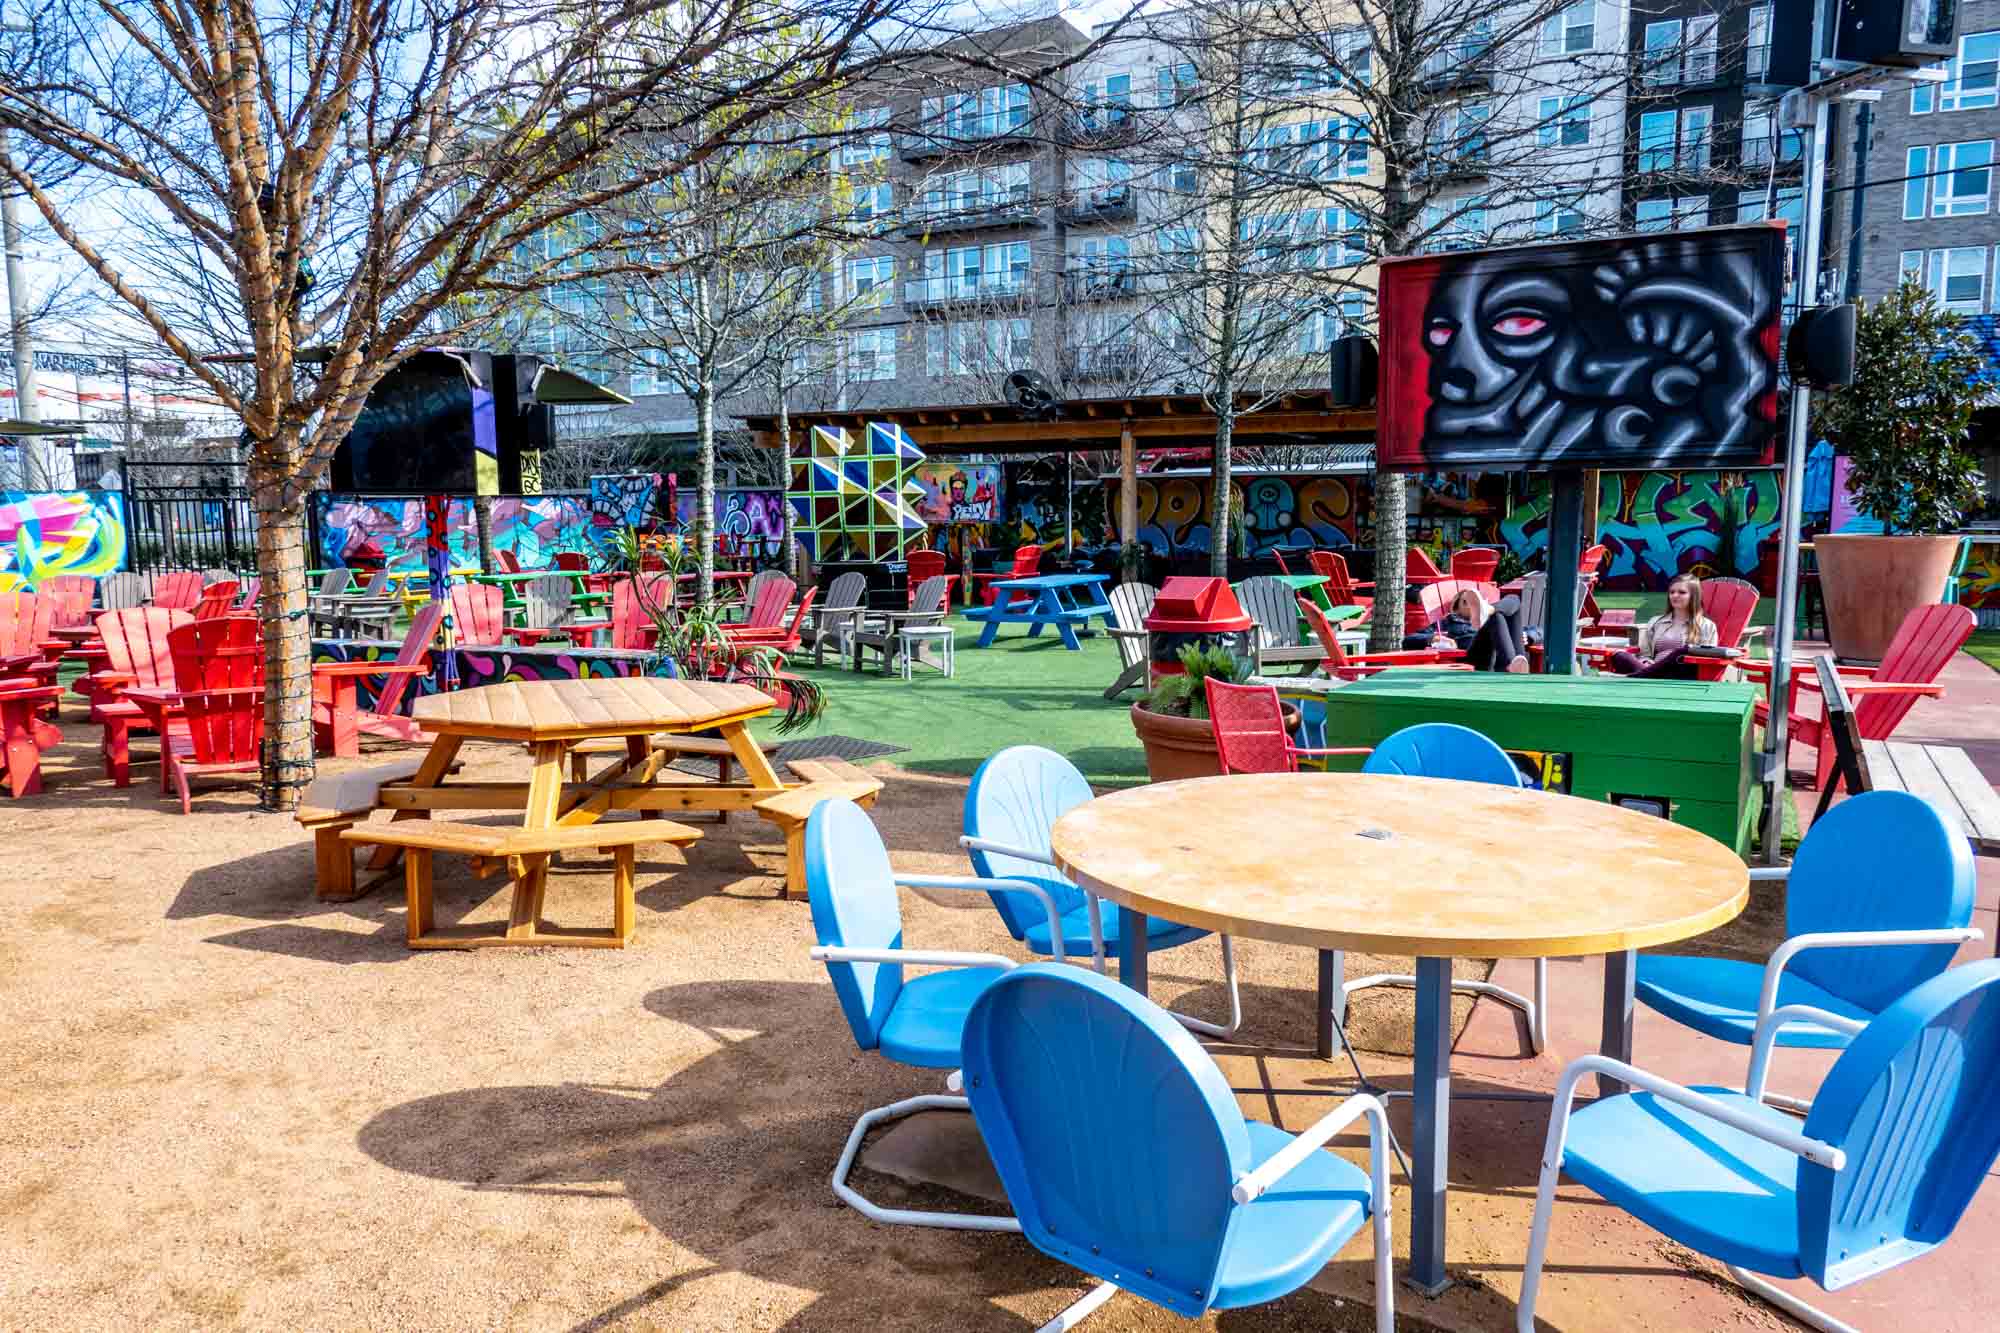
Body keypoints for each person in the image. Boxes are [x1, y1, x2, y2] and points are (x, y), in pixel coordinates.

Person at [1608, 574, 1718, 678]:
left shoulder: (1706, 626)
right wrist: (1646, 661)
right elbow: (1644, 653)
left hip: (1680, 673)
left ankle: (1635, 677)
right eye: (1672, 592)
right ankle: (1645, 677)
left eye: (1682, 592)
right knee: (1620, 655)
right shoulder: (1656, 622)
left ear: (1694, 596)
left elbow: (1707, 657)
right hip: (1650, 669)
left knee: (1681, 652)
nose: (1675, 595)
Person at [1404, 587, 1531, 672]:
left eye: (1475, 602)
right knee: (1495, 617)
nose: (1471, 606)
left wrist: (1529, 636)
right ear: (1456, 608)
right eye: (1466, 602)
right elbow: (1407, 641)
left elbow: (1539, 631)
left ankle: (1514, 666)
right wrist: (1432, 638)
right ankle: (1511, 666)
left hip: (1512, 659)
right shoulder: (1447, 622)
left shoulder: (1498, 620)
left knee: (1514, 598)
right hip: (1476, 660)